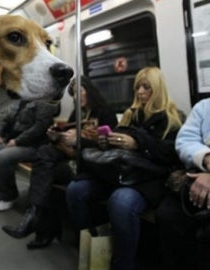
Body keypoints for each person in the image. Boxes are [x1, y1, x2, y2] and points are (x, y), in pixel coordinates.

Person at [66, 67, 183, 270]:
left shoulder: (172, 117)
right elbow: (116, 146)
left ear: (158, 88)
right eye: (137, 87)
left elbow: (171, 153)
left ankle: (123, 263)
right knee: (75, 191)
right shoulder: (130, 114)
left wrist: (137, 143)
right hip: (120, 173)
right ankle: (87, 243)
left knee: (120, 202)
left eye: (146, 87)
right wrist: (106, 141)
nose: (140, 92)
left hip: (148, 179)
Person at [1, 75, 118, 249]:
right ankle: (37, 218)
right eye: (74, 95)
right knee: (45, 168)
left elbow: (106, 147)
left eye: (80, 92)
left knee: (44, 174)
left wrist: (78, 140)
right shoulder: (77, 113)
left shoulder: (105, 113)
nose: (78, 97)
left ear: (90, 91)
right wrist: (56, 137)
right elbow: (67, 137)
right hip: (72, 160)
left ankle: (40, 224)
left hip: (91, 167)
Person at [155, 98, 210, 270]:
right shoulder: (203, 107)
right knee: (167, 215)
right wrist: (206, 158)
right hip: (199, 170)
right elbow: (185, 141)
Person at [0, 99, 59, 212]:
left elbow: (40, 127)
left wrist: (18, 141)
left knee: (3, 157)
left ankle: (9, 196)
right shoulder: (19, 101)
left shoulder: (44, 102)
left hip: (34, 146)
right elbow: (6, 121)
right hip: (13, 142)